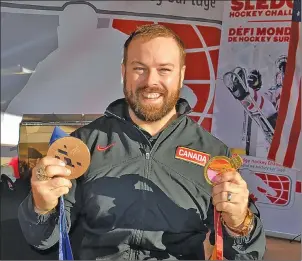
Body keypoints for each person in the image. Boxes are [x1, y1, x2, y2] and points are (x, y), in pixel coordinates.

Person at [18, 24, 266, 260]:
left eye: (164, 70)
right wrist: (41, 207)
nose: (150, 81)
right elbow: (42, 240)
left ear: (181, 75)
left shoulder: (212, 154)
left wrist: (239, 224)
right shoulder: (84, 144)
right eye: (139, 68)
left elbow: (246, 255)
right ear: (123, 72)